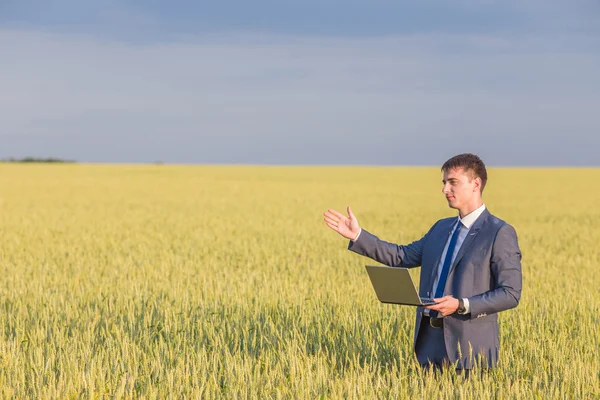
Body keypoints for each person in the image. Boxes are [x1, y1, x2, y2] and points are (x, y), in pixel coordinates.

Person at [323, 153, 522, 372]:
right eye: (444, 182)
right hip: (429, 343)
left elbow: (510, 293)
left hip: (470, 349)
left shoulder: (499, 232)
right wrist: (358, 236)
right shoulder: (440, 228)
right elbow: (402, 256)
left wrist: (461, 305)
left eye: (452, 182)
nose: (445, 189)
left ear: (476, 184)